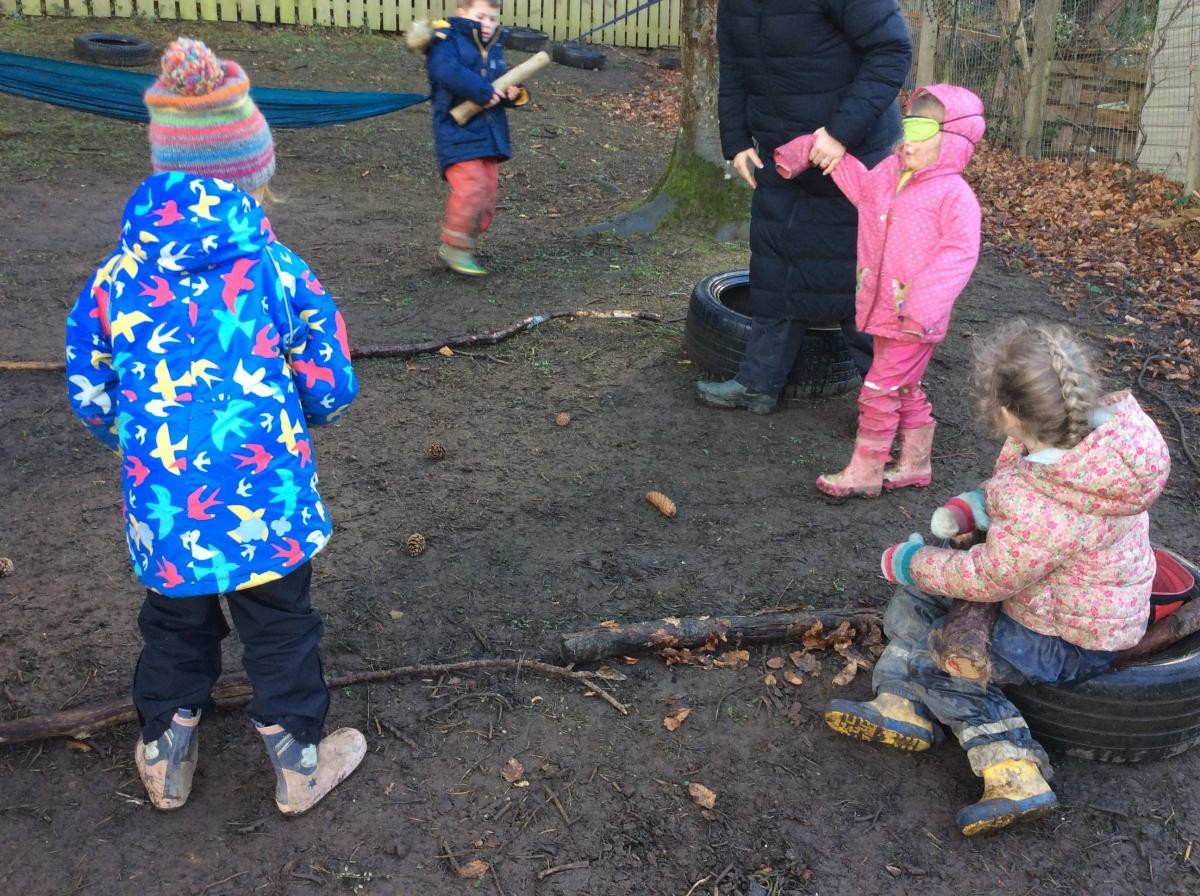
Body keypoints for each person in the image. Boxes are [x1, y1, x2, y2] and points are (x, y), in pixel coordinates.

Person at [64, 37, 365, 816]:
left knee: (173, 619)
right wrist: (309, 416)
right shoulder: (277, 268)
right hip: (265, 497)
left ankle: (167, 750)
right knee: (281, 623)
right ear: (250, 174)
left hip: (166, 505)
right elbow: (329, 377)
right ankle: (298, 761)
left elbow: (89, 387)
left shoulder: (115, 275)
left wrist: (137, 445)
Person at [823, 320, 1171, 836]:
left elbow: (990, 577)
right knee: (921, 599)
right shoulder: (1099, 445)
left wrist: (911, 562)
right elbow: (1015, 491)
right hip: (1052, 596)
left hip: (1067, 638)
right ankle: (899, 702)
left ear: (1008, 413)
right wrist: (972, 509)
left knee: (948, 660)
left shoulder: (1048, 502)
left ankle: (1013, 769)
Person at [695, 0, 912, 415]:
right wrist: (736, 138)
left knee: (853, 281)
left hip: (853, 155)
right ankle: (757, 384)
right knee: (775, 265)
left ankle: (887, 411)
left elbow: (891, 50)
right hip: (782, 153)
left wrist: (839, 132)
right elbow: (735, 67)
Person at [773, 85, 985, 497]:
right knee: (902, 386)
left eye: (924, 131)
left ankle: (866, 470)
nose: (908, 140)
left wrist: (921, 307)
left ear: (953, 140)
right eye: (908, 126)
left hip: (915, 315)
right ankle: (915, 464)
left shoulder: (955, 197)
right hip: (884, 306)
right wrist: (822, 151)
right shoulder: (889, 177)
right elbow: (863, 190)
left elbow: (958, 256)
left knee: (878, 389)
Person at [408, 0, 529, 276]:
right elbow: (446, 72)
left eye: (492, 18)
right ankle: (453, 247)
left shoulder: (493, 46)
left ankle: (466, 243)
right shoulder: (448, 40)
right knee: (471, 190)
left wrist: (513, 92)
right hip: (458, 134)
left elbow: (498, 81)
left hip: (490, 136)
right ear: (461, 12)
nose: (487, 24)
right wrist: (483, 91)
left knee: (486, 197)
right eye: (480, 16)